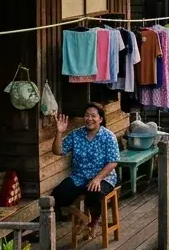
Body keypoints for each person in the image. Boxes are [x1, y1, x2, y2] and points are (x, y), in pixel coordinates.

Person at [51, 103, 121, 240]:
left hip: (104, 177)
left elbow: (113, 162)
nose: (89, 119)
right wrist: (59, 132)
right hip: (79, 177)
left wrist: (98, 178)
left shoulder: (108, 136)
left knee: (94, 193)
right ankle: (81, 218)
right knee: (58, 194)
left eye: (93, 116)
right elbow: (57, 151)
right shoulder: (76, 134)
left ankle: (93, 223)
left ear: (100, 119)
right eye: (87, 115)